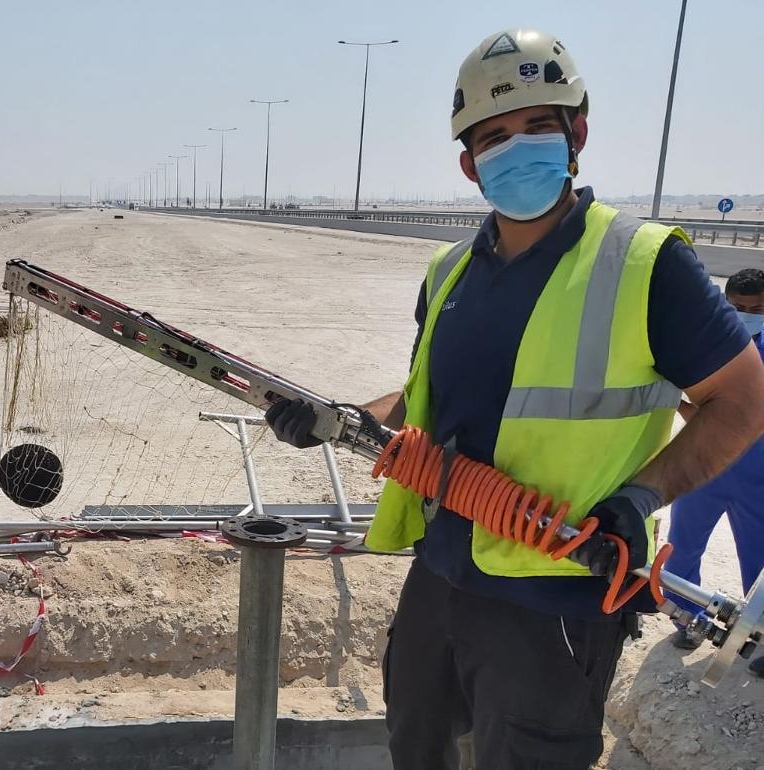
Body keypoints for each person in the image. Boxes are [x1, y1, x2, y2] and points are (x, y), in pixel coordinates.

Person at [265, 29, 764, 770]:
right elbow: (424, 394)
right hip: (441, 577)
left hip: (557, 596)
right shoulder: (450, 271)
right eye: (495, 136)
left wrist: (639, 496)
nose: (518, 146)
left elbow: (743, 401)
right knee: (418, 747)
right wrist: (345, 420)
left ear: (577, 134)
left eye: (539, 124)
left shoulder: (644, 264)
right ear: (470, 164)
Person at [665, 268, 764, 677]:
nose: (746, 315)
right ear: (724, 304)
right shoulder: (705, 343)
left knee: (758, 562)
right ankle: (687, 618)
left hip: (756, 476)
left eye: (757, 309)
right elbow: (676, 395)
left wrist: (707, 416)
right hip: (703, 468)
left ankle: (757, 634)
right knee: (682, 546)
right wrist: (686, 409)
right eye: (737, 307)